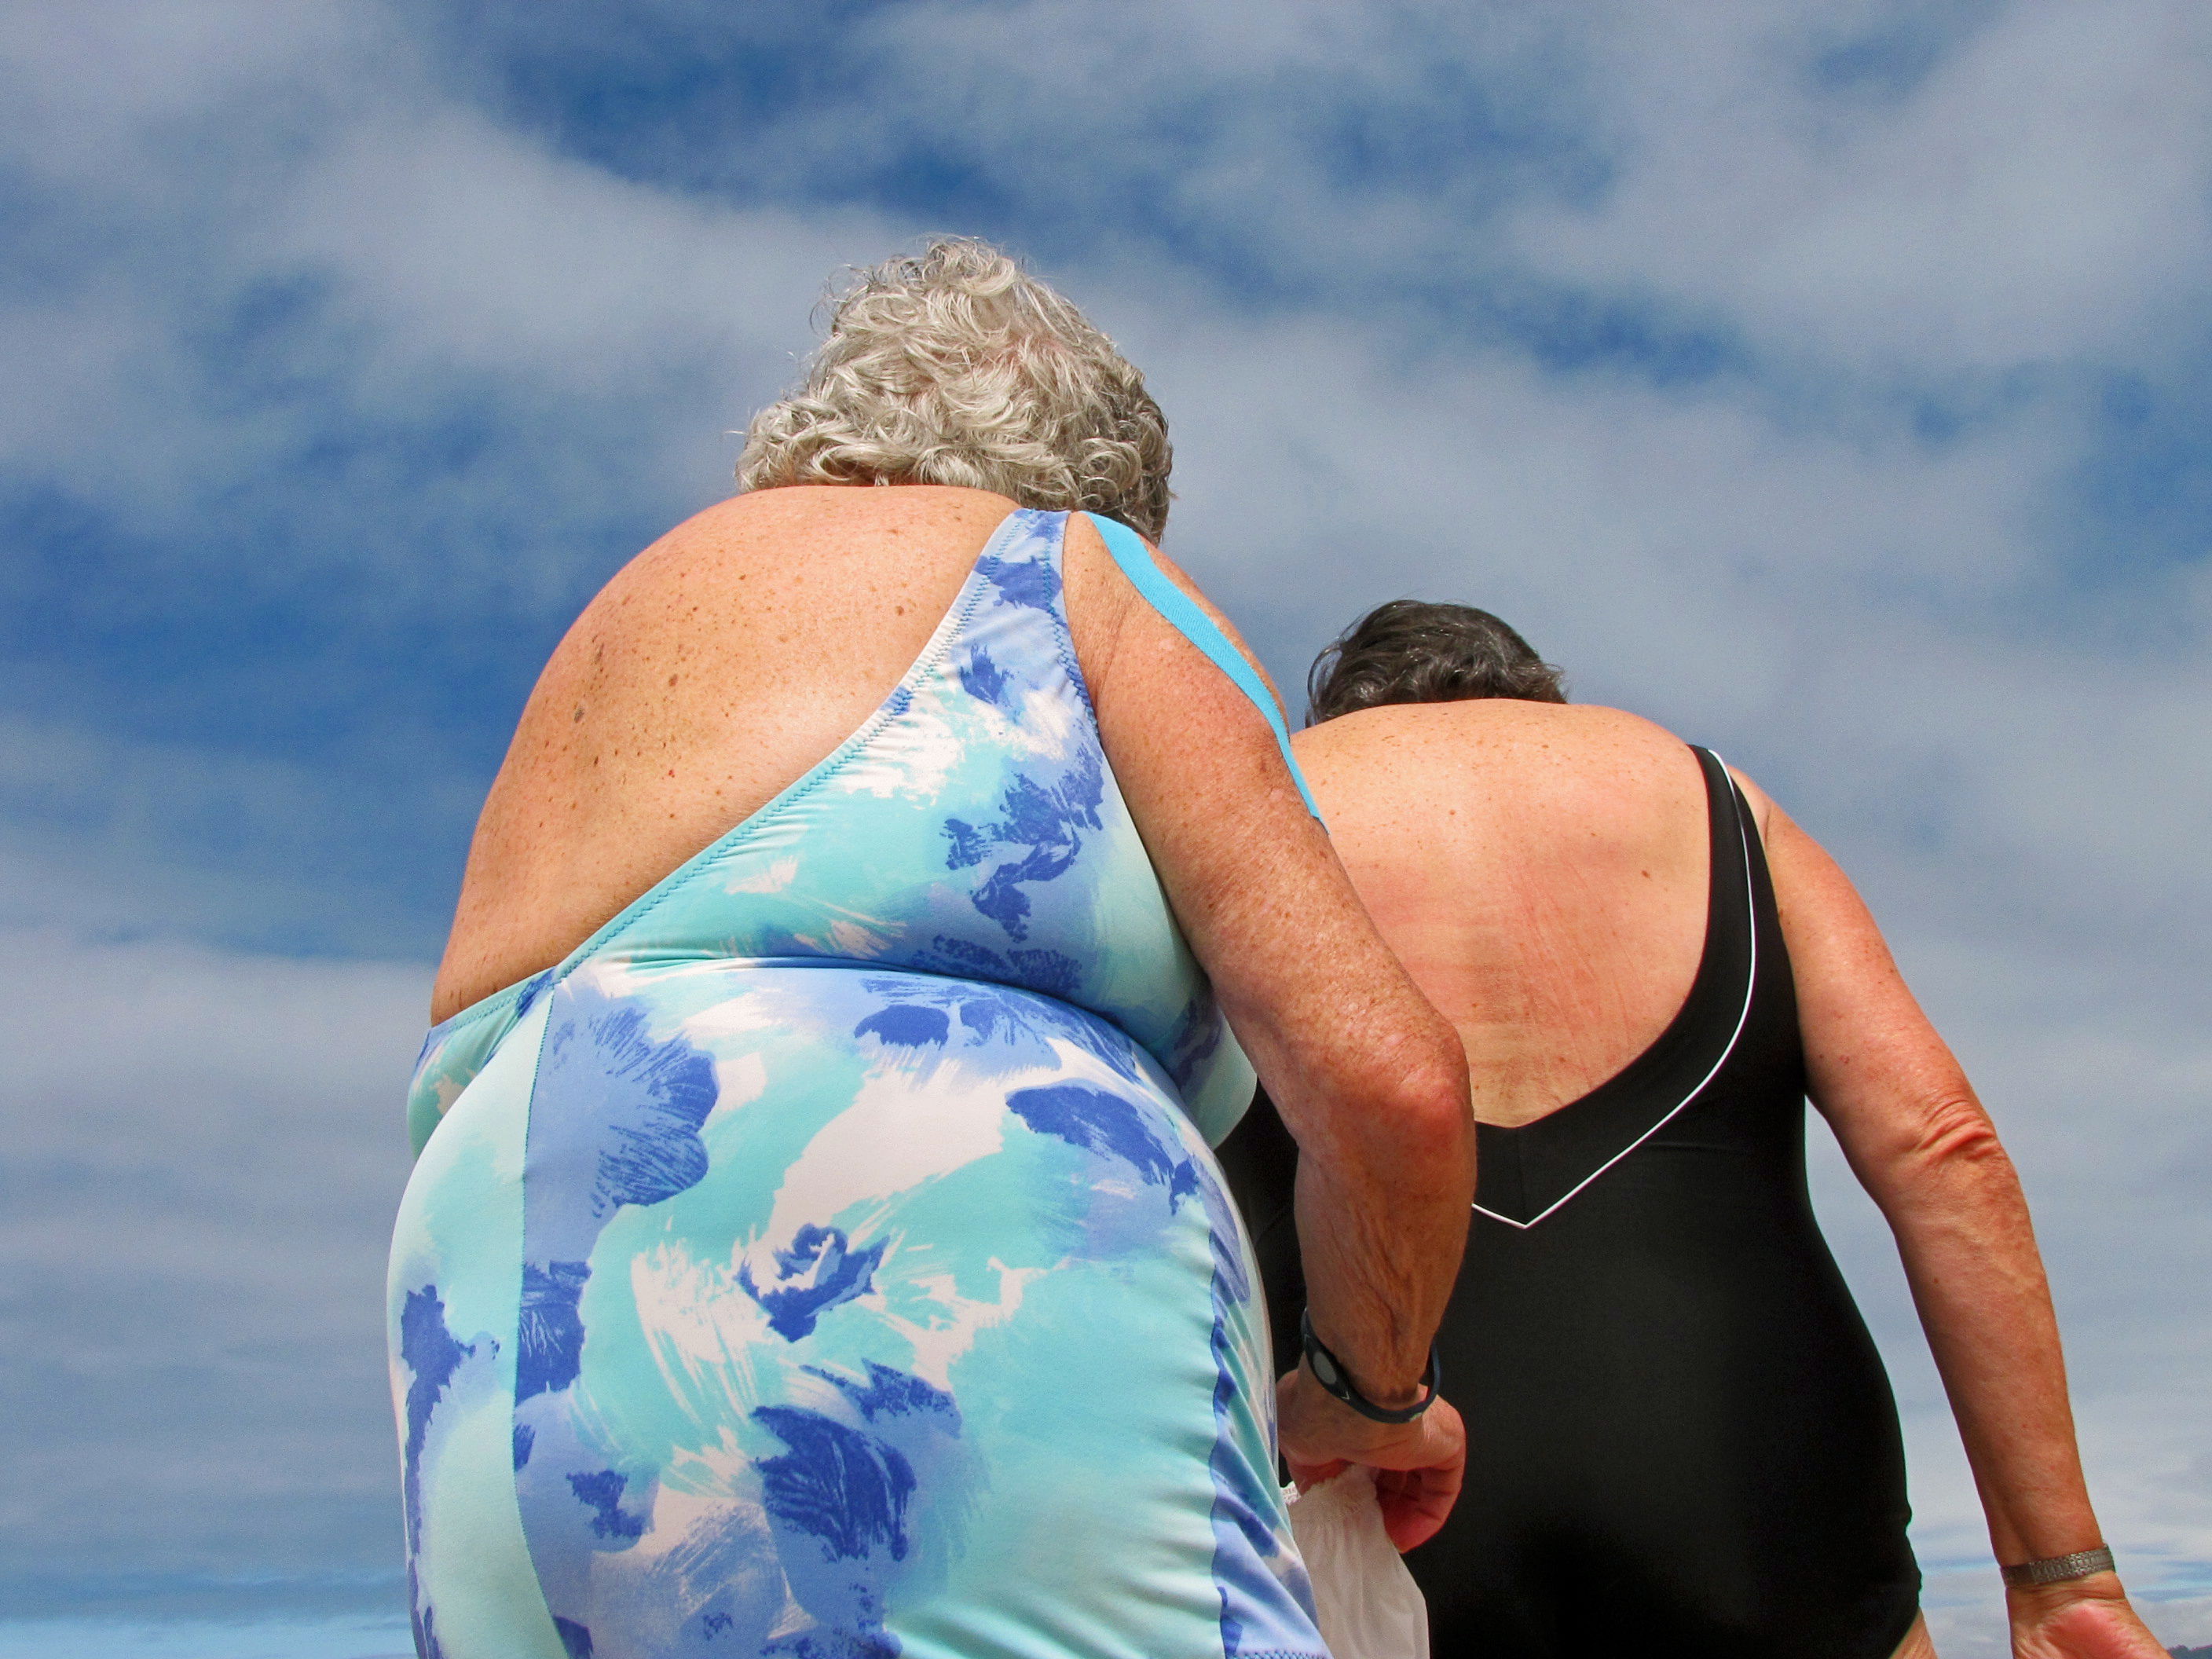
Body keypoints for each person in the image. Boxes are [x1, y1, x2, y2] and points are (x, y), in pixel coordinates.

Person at [386, 242, 1474, 1659]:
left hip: (491, 1330)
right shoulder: (1075, 568)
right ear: (1104, 478)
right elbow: (1386, 1082)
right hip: (933, 1295)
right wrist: (1370, 1390)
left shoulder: (610, 632)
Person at [1219, 599, 2170, 1659]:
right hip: (1762, 1485)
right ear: (1539, 690)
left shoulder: (1250, 810)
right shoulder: (1716, 800)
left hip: (1365, 1488)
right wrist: (2059, 1574)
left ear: (1342, 703)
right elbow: (1944, 1147)